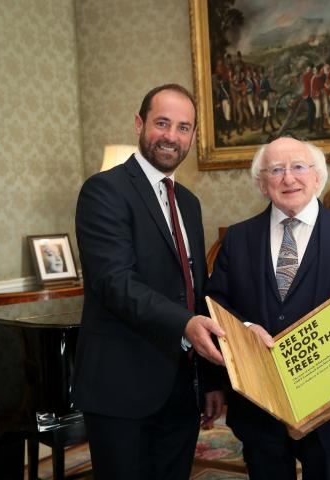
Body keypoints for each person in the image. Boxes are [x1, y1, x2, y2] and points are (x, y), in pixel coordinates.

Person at [205, 137, 330, 480]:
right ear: (263, 184)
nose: (288, 178)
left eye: (298, 167)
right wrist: (244, 329)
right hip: (261, 407)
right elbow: (216, 305)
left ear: (318, 178)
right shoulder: (236, 239)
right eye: (276, 170)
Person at [72, 84, 226, 480]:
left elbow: (196, 291)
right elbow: (114, 282)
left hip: (181, 385)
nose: (172, 136)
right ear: (140, 124)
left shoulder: (188, 202)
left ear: (192, 136)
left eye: (183, 127)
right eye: (162, 123)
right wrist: (186, 325)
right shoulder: (104, 190)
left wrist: (208, 379)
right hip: (122, 385)